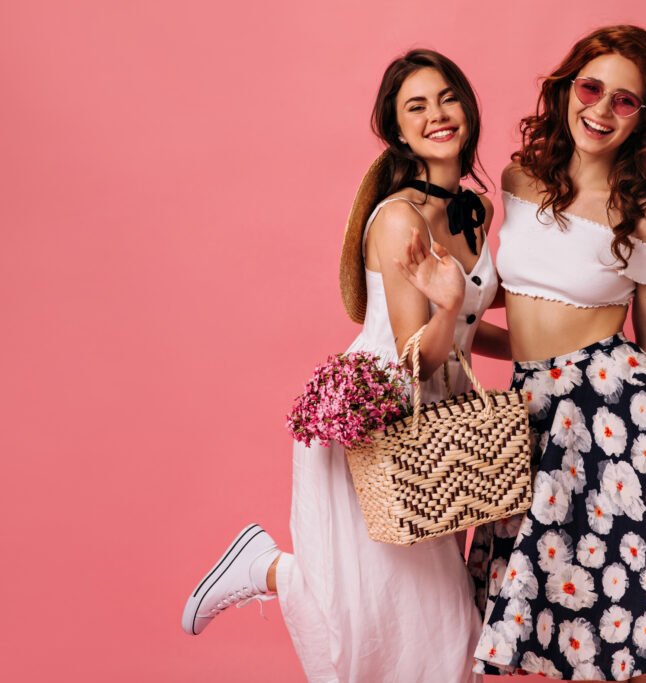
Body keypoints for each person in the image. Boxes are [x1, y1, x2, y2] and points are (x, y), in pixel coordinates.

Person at [411, 25, 646, 681]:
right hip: (532, 409)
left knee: (635, 602)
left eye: (625, 100)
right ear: (569, 88)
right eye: (592, 87)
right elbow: (507, 307)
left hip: (612, 413)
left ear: (644, 116)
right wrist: (447, 319)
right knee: (559, 601)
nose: (601, 109)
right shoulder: (518, 179)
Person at [181, 49, 508, 683]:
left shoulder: (475, 211)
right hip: (380, 417)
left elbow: (468, 327)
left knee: (429, 621)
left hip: (436, 425)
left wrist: (550, 335)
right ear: (397, 129)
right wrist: (445, 303)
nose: (438, 115)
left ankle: (268, 568)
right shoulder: (397, 221)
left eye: (447, 98)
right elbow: (420, 354)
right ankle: (268, 569)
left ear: (467, 106)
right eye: (417, 107)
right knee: (384, 615)